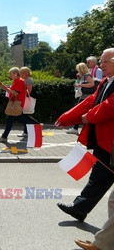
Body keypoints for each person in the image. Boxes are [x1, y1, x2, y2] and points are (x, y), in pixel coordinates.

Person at [55, 48, 114, 223]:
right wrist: (66, 118)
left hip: (110, 142)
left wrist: (89, 117)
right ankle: (80, 209)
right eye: (101, 61)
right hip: (106, 142)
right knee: (99, 177)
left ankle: (80, 209)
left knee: (99, 177)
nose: (100, 65)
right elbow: (90, 101)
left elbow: (110, 106)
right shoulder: (105, 81)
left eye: (104, 61)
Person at [0, 67, 38, 143]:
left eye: (11, 74)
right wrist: (6, 88)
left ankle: (35, 132)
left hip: (17, 104)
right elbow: (13, 91)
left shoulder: (20, 81)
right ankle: (4, 137)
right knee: (13, 119)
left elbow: (15, 93)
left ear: (15, 74)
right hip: (15, 104)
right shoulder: (16, 81)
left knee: (20, 119)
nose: (10, 75)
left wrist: (6, 88)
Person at [66, 63, 95, 135]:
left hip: (86, 97)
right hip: (84, 96)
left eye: (78, 69)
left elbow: (92, 84)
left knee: (79, 112)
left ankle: (75, 128)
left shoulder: (87, 75)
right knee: (80, 112)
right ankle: (76, 128)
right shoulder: (84, 76)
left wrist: (80, 85)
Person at [17, 67, 40, 138]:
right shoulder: (26, 80)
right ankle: (26, 131)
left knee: (24, 115)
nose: (20, 75)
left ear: (24, 73)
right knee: (25, 116)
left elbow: (28, 91)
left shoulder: (29, 80)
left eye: (21, 73)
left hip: (28, 99)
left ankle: (36, 125)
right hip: (27, 99)